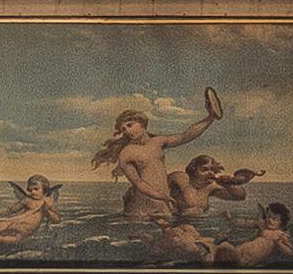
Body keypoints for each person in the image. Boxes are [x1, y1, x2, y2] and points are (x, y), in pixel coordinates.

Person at [94, 89, 224, 221]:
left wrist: (211, 118)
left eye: (130, 125)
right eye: (124, 129)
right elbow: (138, 183)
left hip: (163, 202)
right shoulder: (127, 153)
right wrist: (160, 196)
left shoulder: (158, 141)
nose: (128, 130)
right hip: (144, 204)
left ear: (142, 122)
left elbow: (186, 136)